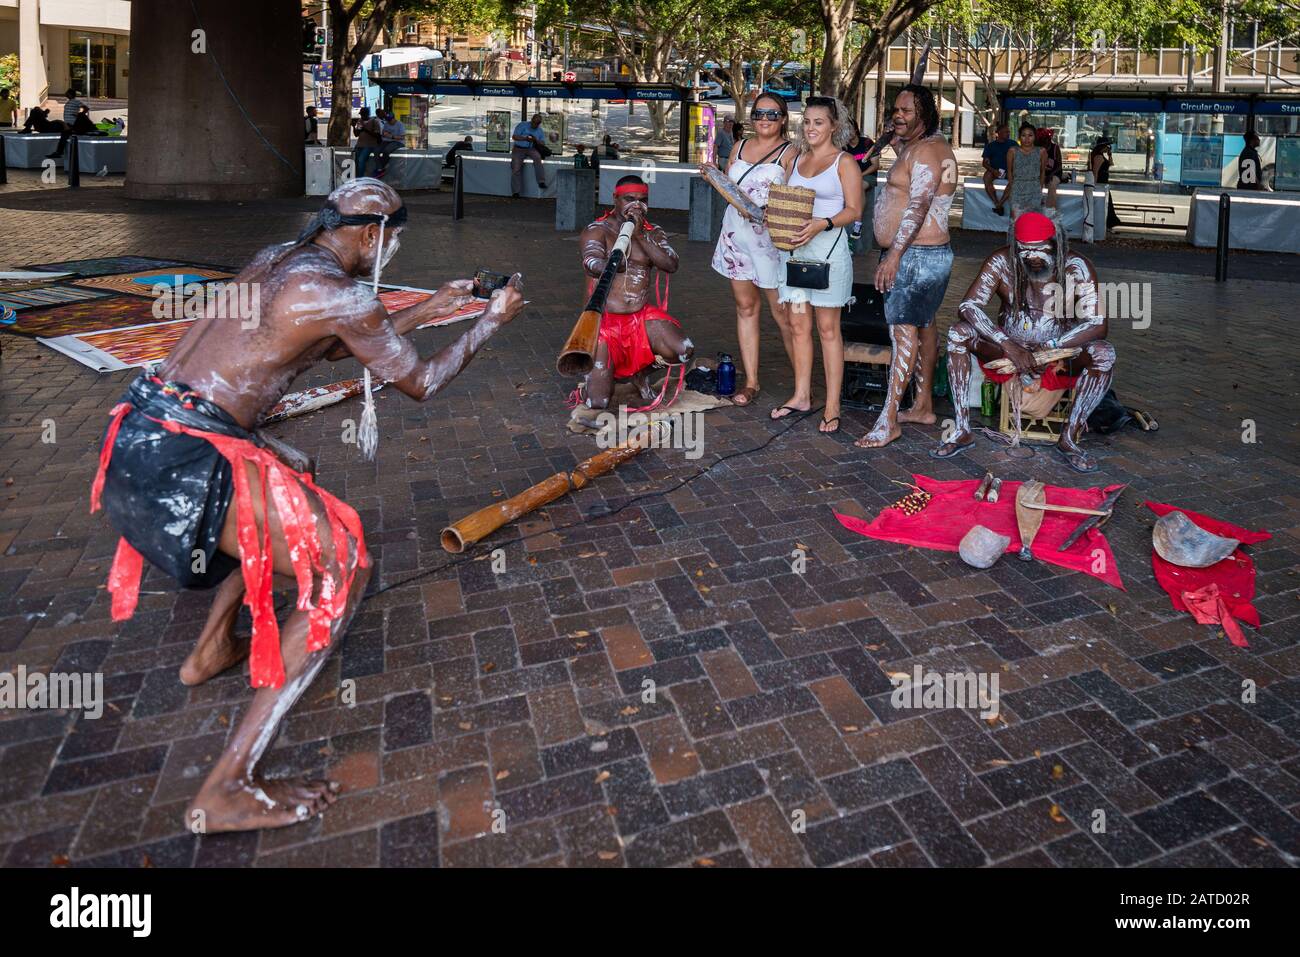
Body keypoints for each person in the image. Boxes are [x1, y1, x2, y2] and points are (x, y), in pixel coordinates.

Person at [90, 178, 526, 832]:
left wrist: (433, 307)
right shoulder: (342, 293)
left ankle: (210, 649)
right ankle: (227, 784)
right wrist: (490, 322)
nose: (391, 254)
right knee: (342, 564)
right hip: (186, 466)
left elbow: (328, 343)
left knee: (296, 483)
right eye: (393, 242)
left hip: (138, 437)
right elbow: (420, 380)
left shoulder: (278, 259)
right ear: (372, 234)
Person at [931, 211, 1114, 473]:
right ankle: (961, 430)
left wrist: (1050, 349)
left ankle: (1069, 438)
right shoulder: (1001, 261)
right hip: (1008, 352)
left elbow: (1098, 324)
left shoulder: (1077, 267)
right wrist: (1007, 344)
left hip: (1058, 355)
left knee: (1104, 354)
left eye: (1040, 250)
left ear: (1057, 244)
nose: (1033, 258)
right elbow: (968, 306)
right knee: (958, 333)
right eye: (1024, 251)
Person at [856, 83, 955, 450]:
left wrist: (894, 255)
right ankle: (923, 405)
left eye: (907, 111)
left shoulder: (928, 152)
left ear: (925, 115)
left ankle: (888, 420)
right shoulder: (922, 148)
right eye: (895, 109)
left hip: (915, 256)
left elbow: (919, 206)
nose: (898, 115)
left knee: (902, 332)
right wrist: (897, 148)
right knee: (923, 325)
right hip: (925, 254)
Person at [771, 95, 862, 434]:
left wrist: (821, 222)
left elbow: (854, 210)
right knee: (797, 326)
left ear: (834, 126)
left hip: (828, 253)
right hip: (794, 253)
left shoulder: (844, 162)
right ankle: (801, 395)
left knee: (827, 330)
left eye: (818, 122)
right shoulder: (795, 159)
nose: (810, 128)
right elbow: (785, 199)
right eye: (807, 122)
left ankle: (833, 405)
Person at [708, 91, 797, 407]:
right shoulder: (739, 146)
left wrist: (772, 211)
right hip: (736, 234)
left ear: (783, 119)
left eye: (773, 114)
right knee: (745, 307)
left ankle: (802, 388)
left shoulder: (789, 153)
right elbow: (729, 188)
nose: (765, 119)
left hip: (770, 241)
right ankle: (751, 381)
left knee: (783, 313)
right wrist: (712, 176)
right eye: (759, 113)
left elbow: (797, 197)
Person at [576, 175, 691, 410]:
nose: (637, 205)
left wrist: (638, 234)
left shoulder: (653, 232)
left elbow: (671, 265)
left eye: (643, 200)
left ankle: (640, 374)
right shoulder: (597, 230)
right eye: (629, 199)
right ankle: (596, 376)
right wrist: (611, 262)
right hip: (604, 322)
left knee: (683, 350)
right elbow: (591, 262)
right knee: (598, 402)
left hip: (639, 318)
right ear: (615, 199)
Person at [1001, 122, 1045, 218]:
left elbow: (1042, 172)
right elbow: (1009, 171)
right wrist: (1013, 189)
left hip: (1034, 190)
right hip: (1017, 189)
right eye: (1023, 135)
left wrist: (1039, 190)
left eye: (1030, 135)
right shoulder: (1012, 151)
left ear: (1035, 137)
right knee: (1016, 221)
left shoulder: (1041, 151)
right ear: (1019, 137)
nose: (1027, 139)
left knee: (1033, 221)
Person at [511, 113, 548, 197]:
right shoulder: (522, 125)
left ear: (539, 124)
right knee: (516, 168)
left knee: (538, 158)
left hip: (531, 148)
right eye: (534, 123)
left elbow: (543, 142)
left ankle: (541, 181)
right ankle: (516, 191)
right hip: (519, 148)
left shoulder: (540, 130)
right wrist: (525, 138)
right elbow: (514, 137)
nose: (535, 125)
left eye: (537, 124)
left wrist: (535, 140)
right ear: (531, 120)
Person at [1090, 137, 1121, 230]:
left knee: (1108, 203)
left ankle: (1108, 223)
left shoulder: (1101, 156)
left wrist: (1110, 155)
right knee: (1106, 203)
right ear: (1103, 146)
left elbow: (1111, 164)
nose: (1109, 148)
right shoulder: (1098, 157)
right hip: (1100, 182)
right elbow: (1095, 172)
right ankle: (1107, 223)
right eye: (1107, 146)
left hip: (1104, 182)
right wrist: (1093, 185)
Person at [982, 123, 1012, 215]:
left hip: (1010, 171)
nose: (1008, 134)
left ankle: (999, 204)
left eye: (1009, 132)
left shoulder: (1013, 144)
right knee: (986, 177)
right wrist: (993, 170)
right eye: (1006, 132)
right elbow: (984, 163)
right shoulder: (991, 146)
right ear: (999, 133)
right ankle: (996, 202)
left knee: (1014, 181)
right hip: (994, 171)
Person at [1036, 127, 1062, 208]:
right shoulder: (1037, 149)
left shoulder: (1055, 148)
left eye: (1045, 139)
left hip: (1054, 174)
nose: (1043, 142)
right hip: (1040, 173)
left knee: (1052, 185)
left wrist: (1050, 175)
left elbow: (1059, 166)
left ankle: (1051, 210)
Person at [351, 107, 381, 178]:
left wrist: (365, 129)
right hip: (359, 145)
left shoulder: (374, 121)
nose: (362, 116)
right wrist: (353, 127)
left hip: (369, 145)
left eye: (363, 114)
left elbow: (377, 135)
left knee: (361, 160)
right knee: (356, 161)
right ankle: (356, 177)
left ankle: (360, 178)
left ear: (367, 114)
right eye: (361, 114)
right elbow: (356, 134)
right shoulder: (359, 121)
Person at [375, 109, 405, 177]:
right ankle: (380, 169)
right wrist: (385, 134)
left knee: (386, 151)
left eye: (390, 120)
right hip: (387, 141)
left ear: (394, 118)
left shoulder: (400, 124)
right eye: (388, 120)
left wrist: (391, 136)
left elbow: (402, 137)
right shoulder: (386, 124)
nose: (389, 121)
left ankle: (382, 168)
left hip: (398, 142)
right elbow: (383, 133)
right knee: (376, 151)